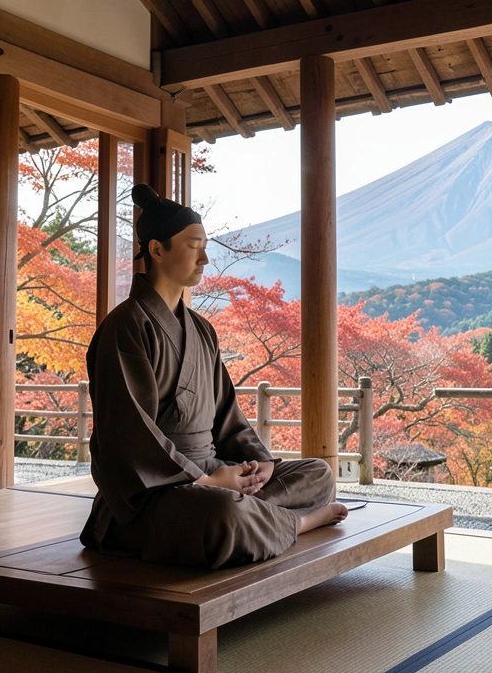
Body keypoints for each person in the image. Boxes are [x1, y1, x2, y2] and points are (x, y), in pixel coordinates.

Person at [80, 184, 348, 569]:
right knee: (222, 513)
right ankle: (299, 522)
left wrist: (259, 464)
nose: (205, 258)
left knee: (317, 473)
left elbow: (226, 415)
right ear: (157, 250)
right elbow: (128, 438)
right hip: (155, 495)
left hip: (215, 476)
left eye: (205, 246)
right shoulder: (125, 327)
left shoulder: (202, 330)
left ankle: (256, 516)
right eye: (193, 246)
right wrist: (209, 483)